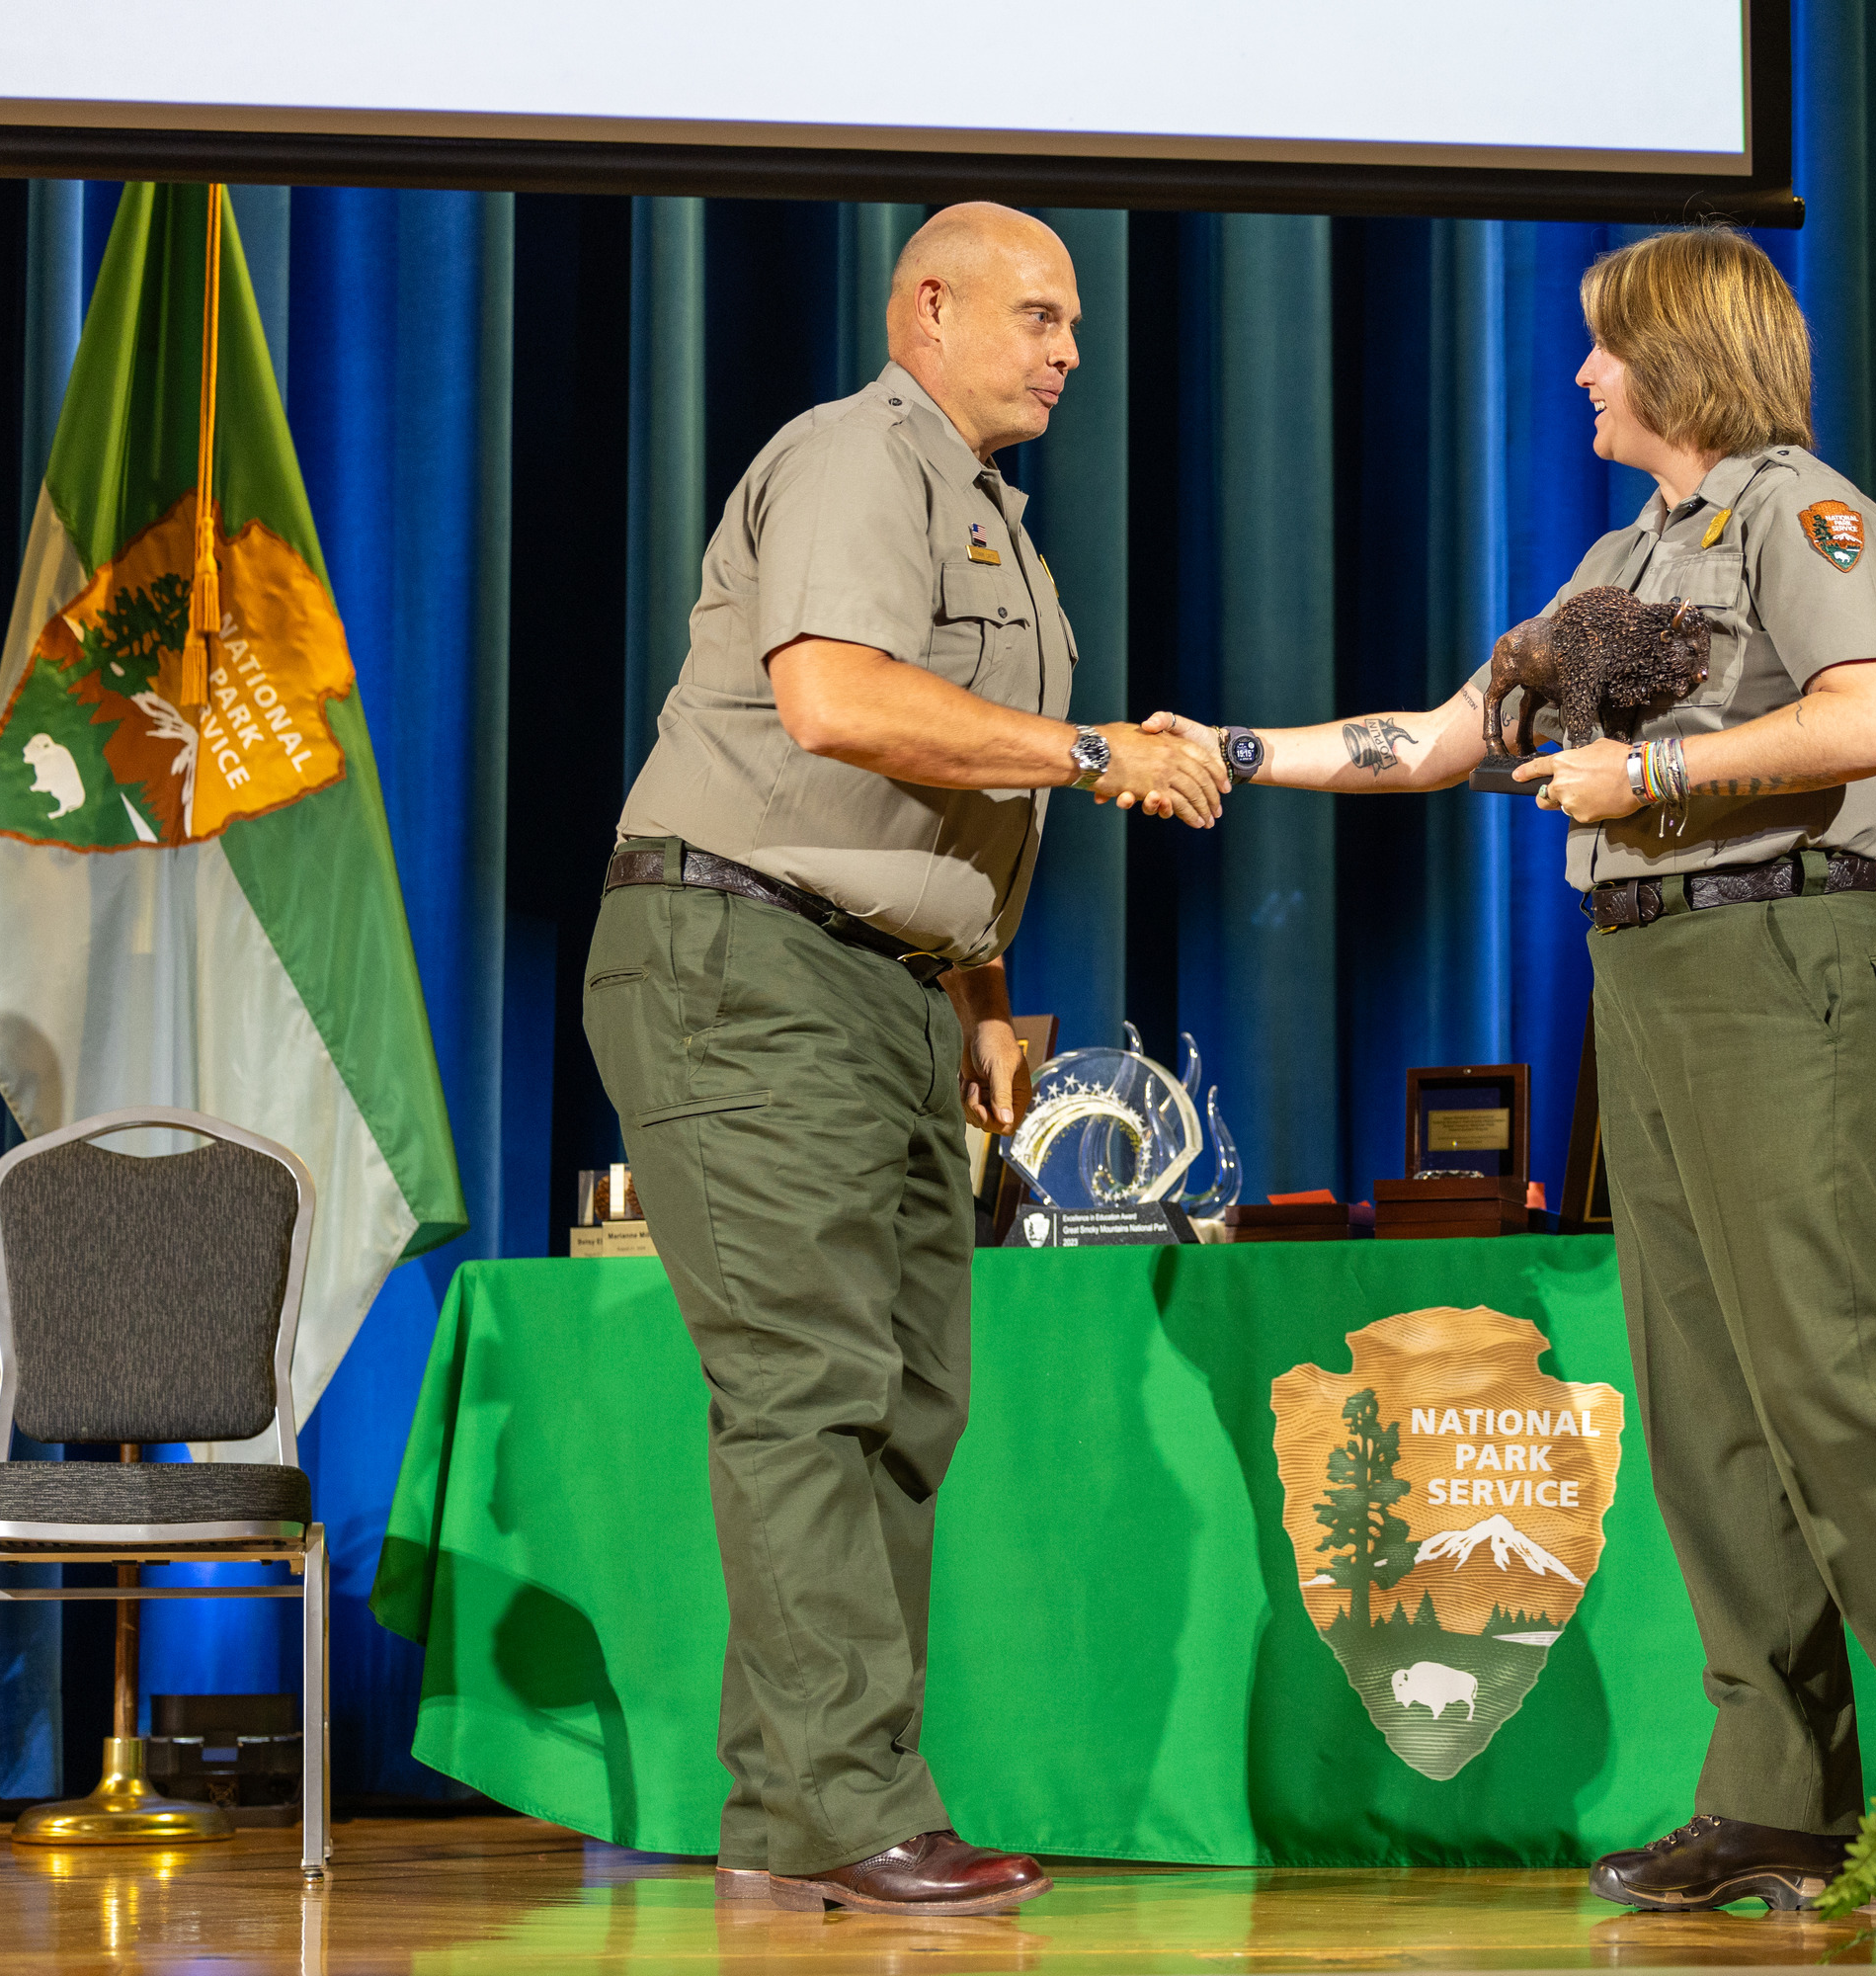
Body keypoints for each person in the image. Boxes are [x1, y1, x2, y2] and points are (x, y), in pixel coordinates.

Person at [1148, 228, 1876, 1915]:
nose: (1578, 378)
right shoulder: (1627, 556)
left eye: (1601, 348)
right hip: (1658, 977)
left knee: (1833, 1379)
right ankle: (1777, 1789)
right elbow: (1451, 735)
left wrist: (1655, 781)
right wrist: (1231, 753)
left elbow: (1868, 722)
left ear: (1681, 354)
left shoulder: (1804, 511)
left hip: (1782, 956)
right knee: (1703, 1406)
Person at [583, 203, 1225, 1919]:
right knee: (808, 1382)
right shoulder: (862, 459)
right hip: (744, 954)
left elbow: (956, 790)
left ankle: (785, 1801)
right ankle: (857, 1805)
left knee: (905, 1394)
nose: (1070, 351)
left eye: (1075, 323)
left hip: (883, 983)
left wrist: (983, 995)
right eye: (1039, 317)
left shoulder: (993, 521)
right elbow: (836, 701)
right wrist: (1098, 753)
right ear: (925, 307)